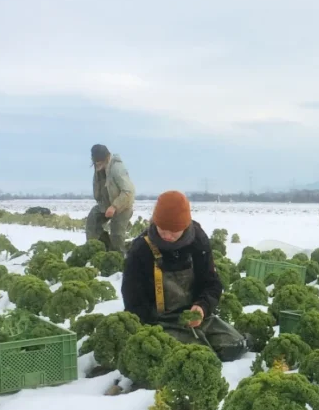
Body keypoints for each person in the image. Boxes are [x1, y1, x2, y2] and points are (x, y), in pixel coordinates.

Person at [121, 190, 246, 362]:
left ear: (185, 226)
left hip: (196, 316)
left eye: (174, 231)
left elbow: (212, 284)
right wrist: (151, 329)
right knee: (195, 356)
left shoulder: (198, 240)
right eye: (163, 229)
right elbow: (133, 301)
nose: (168, 236)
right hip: (159, 322)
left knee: (234, 344)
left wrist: (202, 307)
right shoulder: (141, 249)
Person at [87, 144, 135, 255]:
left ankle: (120, 258)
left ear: (107, 157)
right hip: (105, 204)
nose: (97, 164)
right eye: (95, 162)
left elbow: (129, 191)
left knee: (117, 236)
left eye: (99, 161)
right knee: (93, 221)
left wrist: (114, 206)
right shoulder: (99, 167)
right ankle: (100, 249)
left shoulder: (117, 168)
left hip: (122, 205)